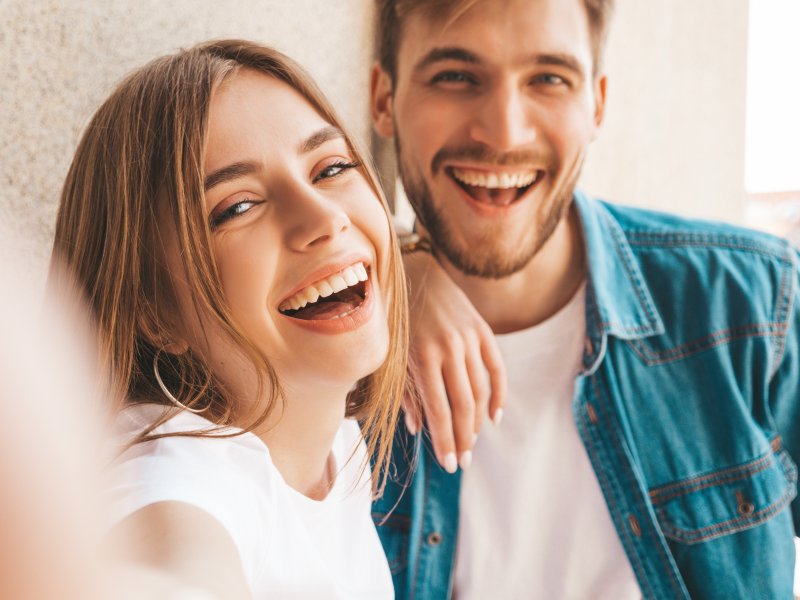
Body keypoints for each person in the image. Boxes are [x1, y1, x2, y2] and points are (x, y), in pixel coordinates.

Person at [368, 1, 800, 599]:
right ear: (383, 99)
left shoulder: (749, 304)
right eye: (456, 76)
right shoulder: (342, 359)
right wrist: (394, 268)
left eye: (548, 79)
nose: (503, 132)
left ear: (596, 101)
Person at [51, 39, 407, 599]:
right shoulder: (174, 480)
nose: (325, 218)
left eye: (331, 167)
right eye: (237, 207)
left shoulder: (336, 441)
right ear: (153, 312)